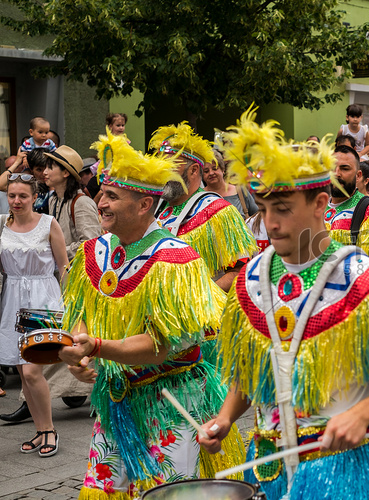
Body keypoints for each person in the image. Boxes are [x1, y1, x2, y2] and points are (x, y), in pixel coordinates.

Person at [199, 108, 369, 500]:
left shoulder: (368, 279)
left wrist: (365, 412)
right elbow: (251, 371)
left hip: (343, 469)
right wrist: (226, 418)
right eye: (264, 210)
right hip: (268, 465)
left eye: (282, 209)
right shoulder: (250, 280)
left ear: (319, 204)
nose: (271, 224)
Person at [58, 132, 245, 497]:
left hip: (170, 403)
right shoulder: (93, 252)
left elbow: (160, 346)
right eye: (102, 193)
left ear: (144, 205)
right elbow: (82, 311)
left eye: (112, 196)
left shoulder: (176, 260)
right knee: (106, 491)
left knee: (166, 493)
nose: (101, 203)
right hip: (115, 401)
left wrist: (94, 346)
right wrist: (77, 354)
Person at [0, 174, 69, 456]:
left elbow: (64, 267)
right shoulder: (1, 225)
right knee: (21, 369)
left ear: (34, 197)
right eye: (12, 196)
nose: (17, 201)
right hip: (13, 299)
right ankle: (40, 430)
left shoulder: (48, 223)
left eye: (23, 196)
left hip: (43, 299)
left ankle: (50, 429)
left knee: (32, 368)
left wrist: (73, 307)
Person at [151, 122, 257, 292]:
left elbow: (239, 272)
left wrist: (199, 300)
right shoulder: (155, 209)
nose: (161, 172)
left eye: (169, 166)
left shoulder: (220, 212)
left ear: (193, 171)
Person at [43, 146, 101, 260]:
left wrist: (56, 252)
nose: (45, 172)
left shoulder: (82, 202)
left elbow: (90, 245)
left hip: (77, 274)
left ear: (65, 172)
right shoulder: (52, 200)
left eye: (50, 168)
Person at [202, 150, 258, 219]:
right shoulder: (199, 196)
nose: (211, 173)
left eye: (215, 168)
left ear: (223, 170)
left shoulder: (239, 190)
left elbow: (257, 217)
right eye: (206, 171)